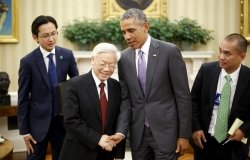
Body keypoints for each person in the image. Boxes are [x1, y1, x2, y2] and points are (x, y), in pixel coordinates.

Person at [110, 8, 192, 160]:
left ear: (146, 27)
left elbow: (183, 96)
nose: (127, 36)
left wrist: (184, 135)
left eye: (131, 30)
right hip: (138, 136)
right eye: (123, 32)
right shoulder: (124, 58)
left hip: (166, 134)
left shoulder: (169, 51)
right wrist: (121, 131)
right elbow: (126, 99)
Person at [17, 15, 79, 160]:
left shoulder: (67, 55)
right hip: (36, 125)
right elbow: (23, 98)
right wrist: (24, 131)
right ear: (35, 37)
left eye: (53, 33)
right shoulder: (28, 62)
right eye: (45, 36)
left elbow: (77, 86)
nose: (51, 39)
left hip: (62, 123)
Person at [59, 43, 125, 160]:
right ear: (93, 60)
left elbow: (117, 120)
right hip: (78, 152)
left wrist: (119, 154)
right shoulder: (74, 85)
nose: (107, 69)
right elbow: (71, 120)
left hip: (107, 152)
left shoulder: (117, 87)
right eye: (103, 64)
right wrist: (98, 139)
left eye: (112, 65)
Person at [191, 33, 250, 160]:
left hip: (233, 145)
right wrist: (196, 128)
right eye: (220, 51)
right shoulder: (206, 70)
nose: (221, 57)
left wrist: (244, 130)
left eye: (227, 53)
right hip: (205, 142)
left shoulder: (248, 77)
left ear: (242, 56)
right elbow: (193, 101)